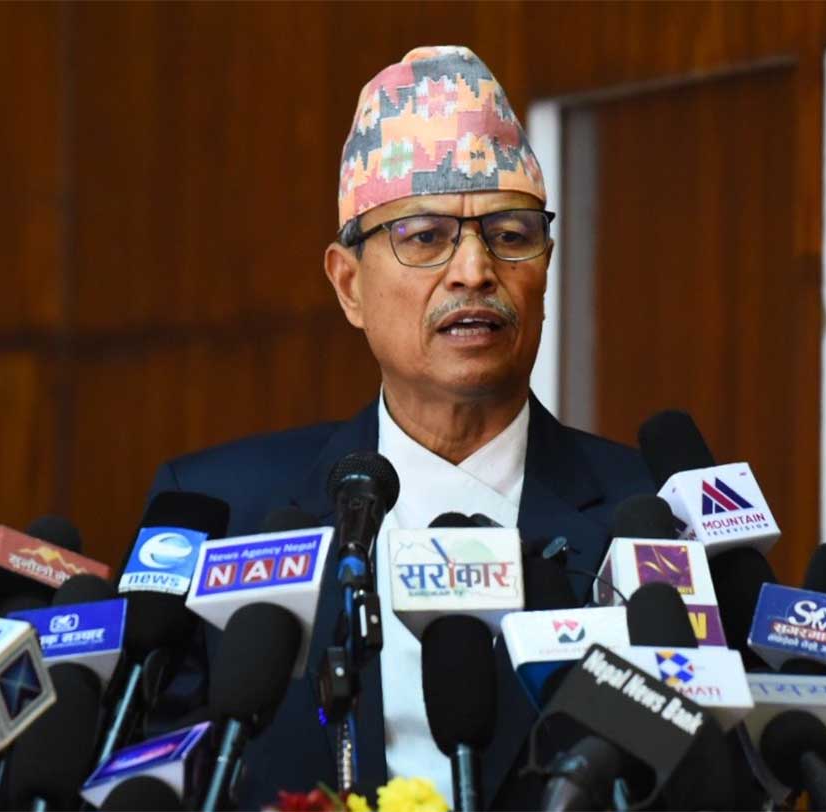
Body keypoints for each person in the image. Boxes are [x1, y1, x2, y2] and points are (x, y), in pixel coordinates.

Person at [146, 46, 654, 809]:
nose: (474, 270)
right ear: (349, 284)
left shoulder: (648, 519)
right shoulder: (226, 512)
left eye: (511, 234)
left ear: (546, 266)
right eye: (424, 237)